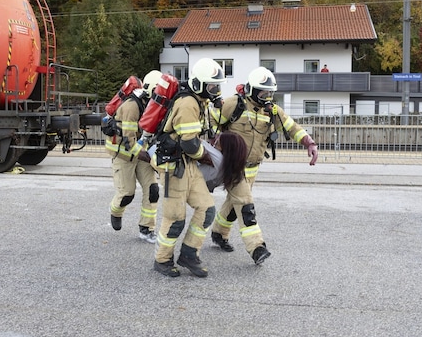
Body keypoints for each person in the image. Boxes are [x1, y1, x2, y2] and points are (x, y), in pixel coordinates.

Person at [209, 67, 319, 264]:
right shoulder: (234, 104)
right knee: (245, 206)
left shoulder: (272, 111)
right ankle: (257, 248)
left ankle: (218, 233)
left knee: (235, 205)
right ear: (251, 89)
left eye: (270, 93)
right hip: (234, 166)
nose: (267, 96)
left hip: (253, 168)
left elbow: (291, 126)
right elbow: (210, 120)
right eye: (263, 92)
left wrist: (309, 143)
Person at [152, 58, 226, 278]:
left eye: (217, 86)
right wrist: (205, 156)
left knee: (207, 209)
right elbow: (189, 143)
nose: (215, 90)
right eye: (212, 86)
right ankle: (162, 260)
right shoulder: (188, 103)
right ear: (199, 85)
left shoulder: (200, 101)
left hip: (188, 163)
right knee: (175, 217)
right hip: (173, 165)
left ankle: (189, 254)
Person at [106, 70, 162, 243]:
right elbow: (129, 141)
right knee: (127, 194)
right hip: (123, 155)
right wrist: (148, 157)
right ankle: (115, 211)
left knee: (152, 190)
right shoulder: (131, 106)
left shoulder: (153, 104)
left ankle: (147, 228)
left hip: (141, 153)